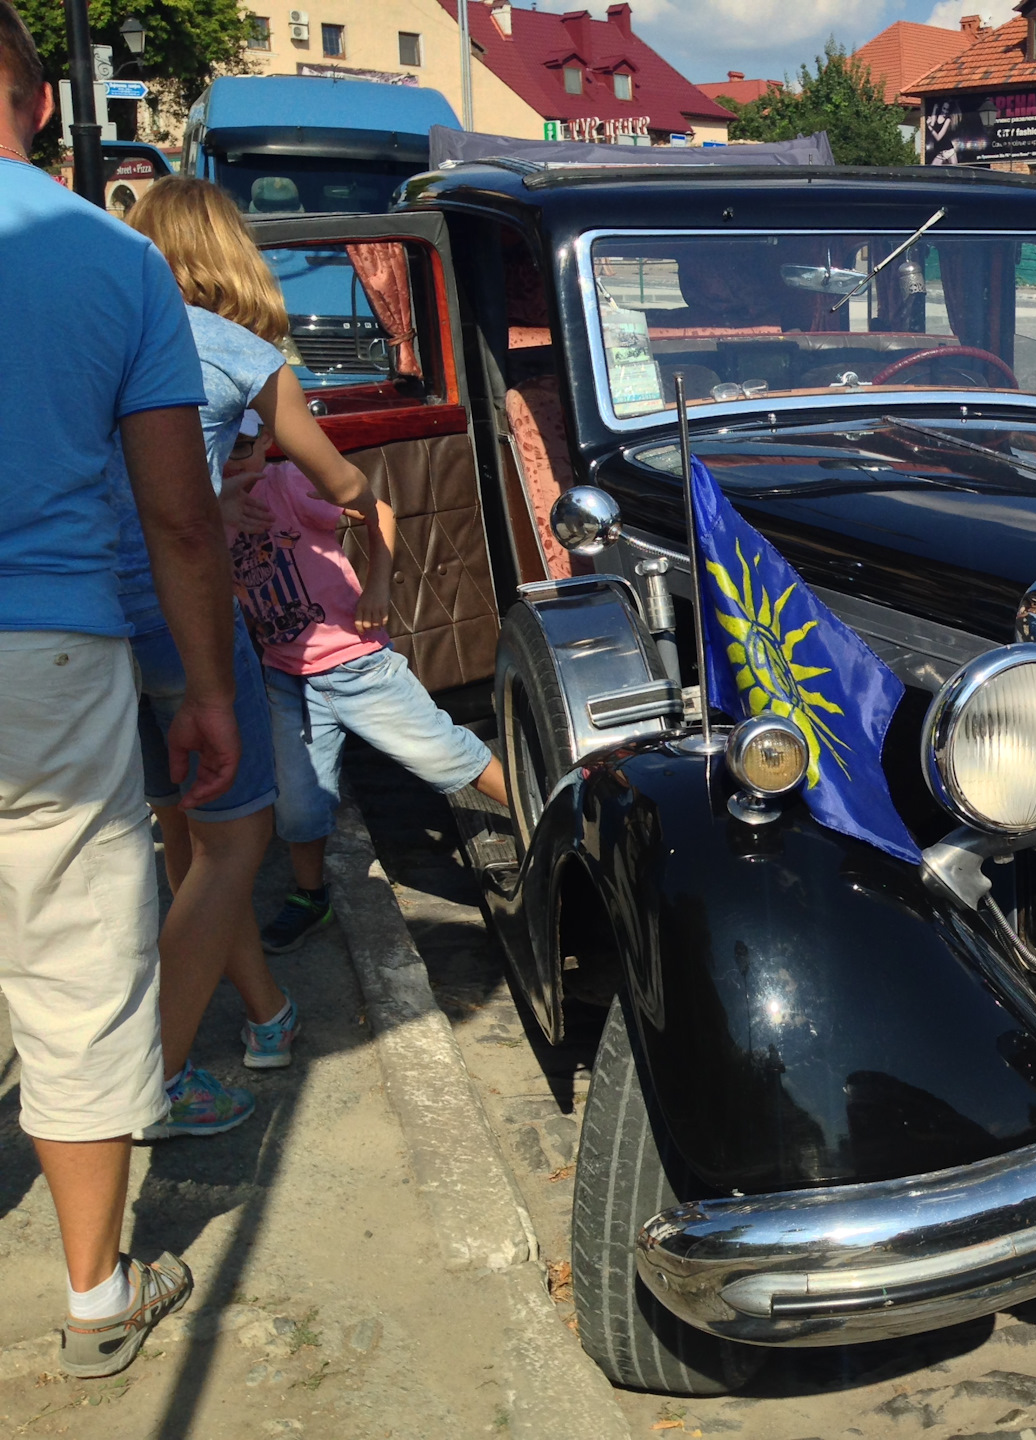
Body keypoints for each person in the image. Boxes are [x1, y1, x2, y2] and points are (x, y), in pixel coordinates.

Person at [0, 1, 239, 1377]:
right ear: (38, 107)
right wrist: (201, 688)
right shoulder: (112, 260)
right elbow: (181, 517)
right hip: (49, 654)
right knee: (75, 965)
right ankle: (96, 1297)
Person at [120, 176, 387, 1129]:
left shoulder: (116, 333)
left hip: (97, 611)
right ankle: (154, 1075)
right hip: (184, 615)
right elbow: (336, 473)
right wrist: (366, 505)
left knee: (188, 842)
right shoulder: (246, 354)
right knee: (236, 843)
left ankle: (266, 1012)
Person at [225, 433, 509, 949]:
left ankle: (555, 822)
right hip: (288, 680)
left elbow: (376, 508)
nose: (229, 461)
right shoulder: (209, 511)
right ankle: (311, 896)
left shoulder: (288, 482)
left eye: (241, 446)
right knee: (298, 804)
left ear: (264, 440)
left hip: (360, 668)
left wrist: (378, 584)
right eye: (218, 447)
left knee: (448, 757)